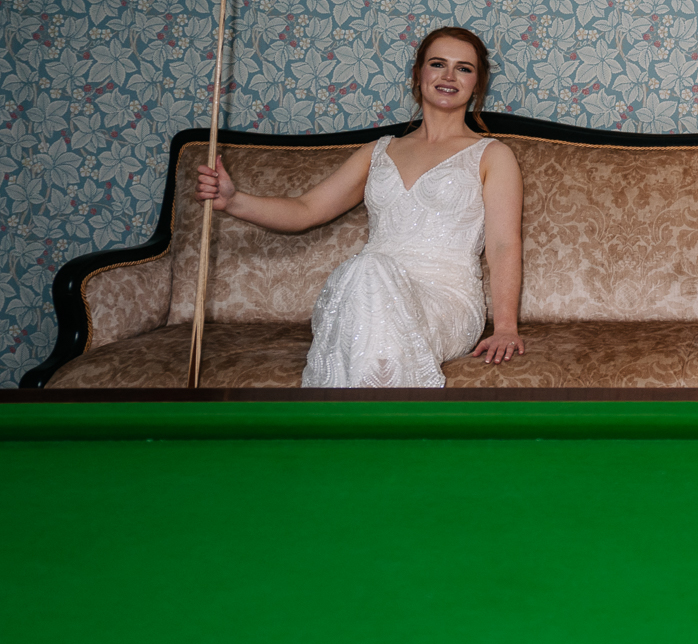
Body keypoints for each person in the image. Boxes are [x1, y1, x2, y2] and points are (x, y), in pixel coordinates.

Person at [195, 28, 525, 388]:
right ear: (417, 75)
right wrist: (233, 201)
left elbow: (503, 245)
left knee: (369, 271)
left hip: (445, 300)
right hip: (365, 291)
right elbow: (306, 209)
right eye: (437, 64)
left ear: (477, 84)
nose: (448, 76)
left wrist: (506, 328)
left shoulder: (492, 155)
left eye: (463, 68)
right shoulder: (377, 152)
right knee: (367, 271)